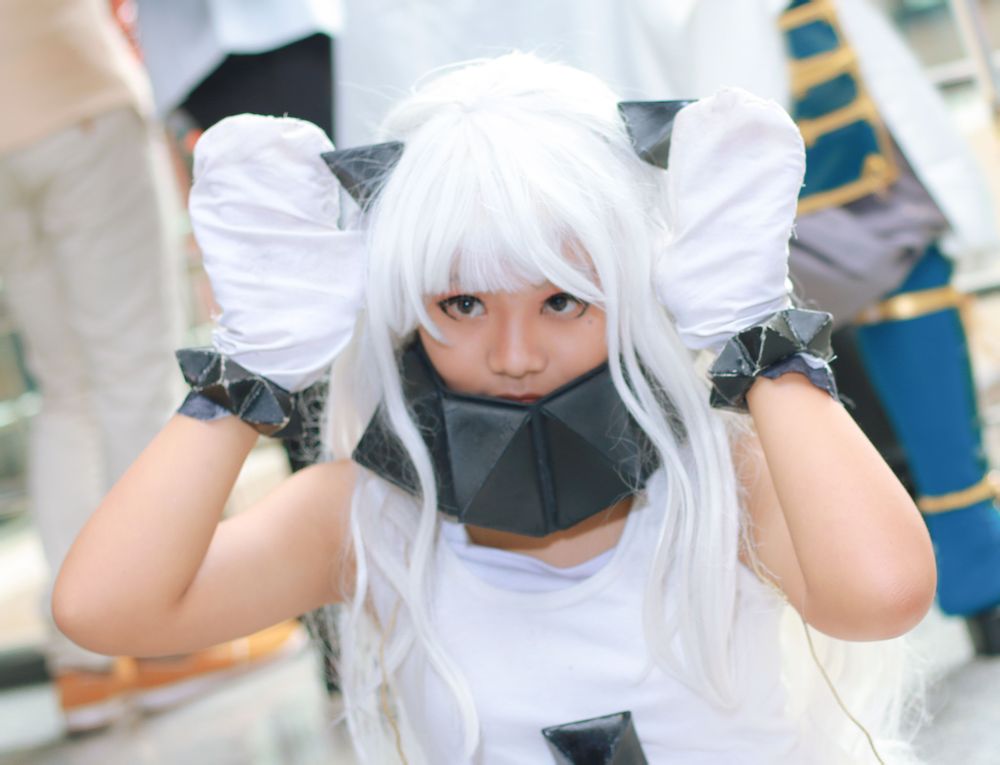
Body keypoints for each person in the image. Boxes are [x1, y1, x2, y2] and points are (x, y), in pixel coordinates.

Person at [52, 54, 935, 763]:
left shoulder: (721, 472)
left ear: (637, 286)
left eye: (563, 299)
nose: (515, 354)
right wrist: (247, 373)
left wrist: (762, 337)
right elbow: (107, 610)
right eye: (463, 303)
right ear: (403, 306)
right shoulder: (369, 515)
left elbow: (884, 596)